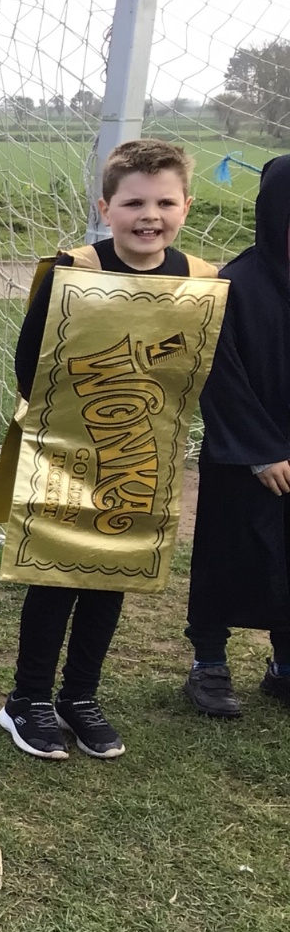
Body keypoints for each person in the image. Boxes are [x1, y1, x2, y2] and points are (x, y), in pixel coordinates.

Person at [0, 138, 210, 757]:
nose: (150, 216)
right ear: (105, 208)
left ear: (186, 207)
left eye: (164, 203)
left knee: (109, 575)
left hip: (140, 452)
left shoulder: (199, 280)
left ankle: (80, 697)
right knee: (56, 574)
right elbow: (29, 361)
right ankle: (27, 701)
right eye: (134, 203)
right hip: (68, 448)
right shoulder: (73, 269)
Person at [183, 157, 290, 718]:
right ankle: (209, 663)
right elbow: (218, 375)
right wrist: (261, 450)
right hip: (244, 455)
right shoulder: (234, 285)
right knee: (227, 555)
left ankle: (284, 667)